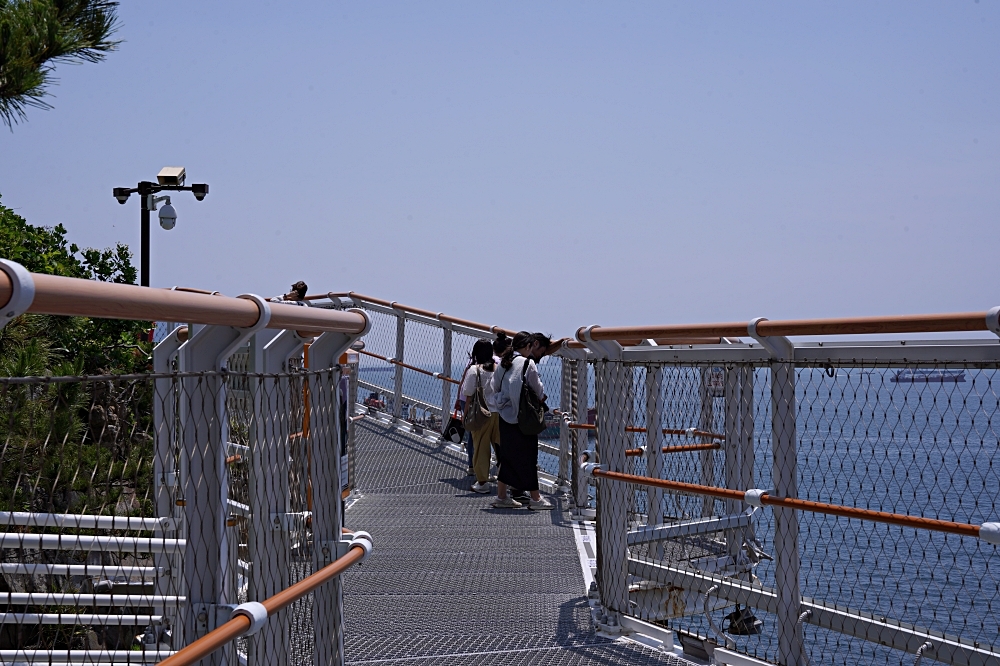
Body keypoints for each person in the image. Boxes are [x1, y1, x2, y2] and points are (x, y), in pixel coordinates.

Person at [490, 331, 554, 510]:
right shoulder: (528, 363)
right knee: (528, 457)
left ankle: (501, 497)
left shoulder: (503, 361)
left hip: (504, 416)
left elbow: (494, 387)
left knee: (506, 456)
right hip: (522, 418)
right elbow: (538, 389)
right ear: (528, 346)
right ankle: (536, 499)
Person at [460, 339, 499, 493]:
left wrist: (466, 413)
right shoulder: (499, 368)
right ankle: (506, 480)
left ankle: (482, 482)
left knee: (481, 447)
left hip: (481, 414)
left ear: (475, 353)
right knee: (500, 446)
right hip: (499, 413)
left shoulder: (474, 370)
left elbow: (467, 393)